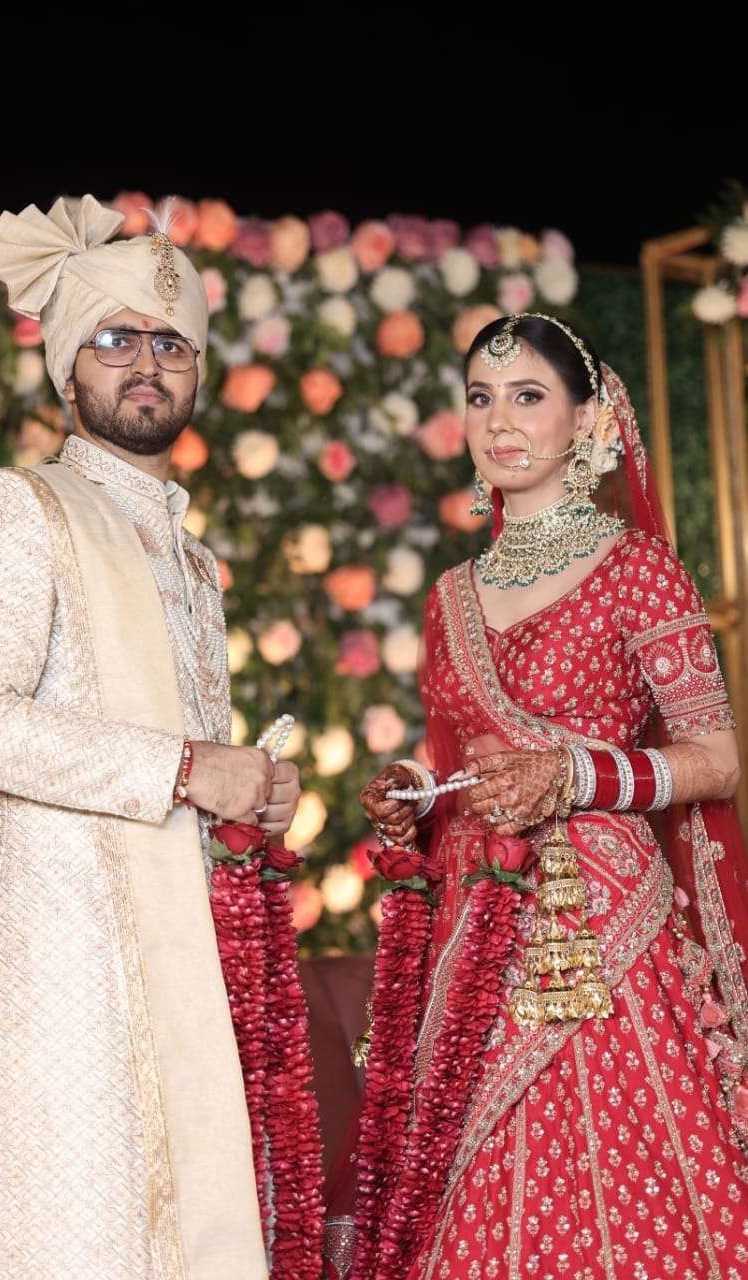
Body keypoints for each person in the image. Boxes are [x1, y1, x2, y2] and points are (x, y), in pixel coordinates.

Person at [0, 194, 300, 1280]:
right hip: (70, 965)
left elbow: (195, 765)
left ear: (197, 370)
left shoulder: (194, 559)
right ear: (66, 366)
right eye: (115, 338)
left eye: (170, 343)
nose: (145, 364)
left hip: (186, 953)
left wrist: (251, 787)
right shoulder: (19, 507)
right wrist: (183, 767)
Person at [328, 313, 748, 1280]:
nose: (499, 422)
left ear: (587, 420)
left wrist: (576, 775)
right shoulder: (450, 594)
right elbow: (460, 763)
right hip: (475, 918)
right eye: (481, 398)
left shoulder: (638, 570)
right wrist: (417, 796)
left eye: (527, 397)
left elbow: (717, 758)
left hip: (604, 923)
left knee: (621, 1173)